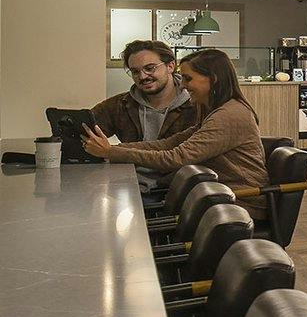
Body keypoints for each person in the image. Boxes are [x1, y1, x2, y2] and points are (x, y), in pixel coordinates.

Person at [82, 47, 268, 211]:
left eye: (188, 79)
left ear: (213, 79)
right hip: (210, 194)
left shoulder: (229, 114)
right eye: (135, 71)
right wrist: (111, 151)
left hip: (237, 202)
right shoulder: (214, 110)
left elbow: (176, 158)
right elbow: (169, 144)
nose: (183, 85)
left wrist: (111, 152)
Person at [93, 38, 199, 189]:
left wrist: (112, 152)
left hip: (174, 191)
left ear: (170, 66)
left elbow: (182, 156)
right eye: (135, 72)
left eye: (150, 68)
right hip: (127, 186)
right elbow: (86, 130)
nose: (142, 76)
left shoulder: (195, 106)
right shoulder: (121, 104)